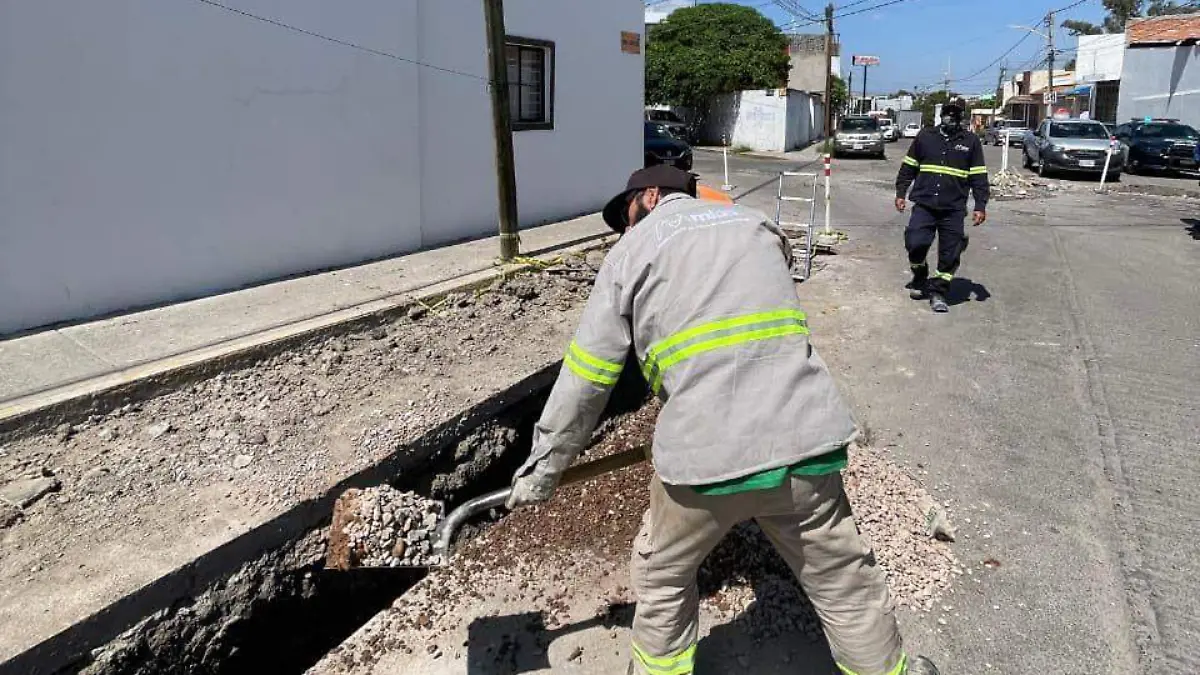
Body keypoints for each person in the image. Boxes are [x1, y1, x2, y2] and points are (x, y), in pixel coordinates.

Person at [505, 164, 939, 675]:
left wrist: (544, 468)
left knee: (664, 574)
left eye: (625, 214)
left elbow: (587, 378)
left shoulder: (628, 253)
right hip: (806, 441)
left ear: (648, 196)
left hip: (702, 462)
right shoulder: (755, 225)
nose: (625, 228)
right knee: (844, 577)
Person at [895, 96, 990, 313]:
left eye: (956, 112)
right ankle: (920, 275)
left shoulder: (970, 142)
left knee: (950, 253)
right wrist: (901, 192)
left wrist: (980, 205)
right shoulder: (925, 137)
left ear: (962, 116)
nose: (951, 116)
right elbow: (909, 166)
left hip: (953, 208)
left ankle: (938, 291)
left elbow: (978, 176)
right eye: (948, 111)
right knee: (915, 243)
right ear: (941, 114)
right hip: (925, 204)